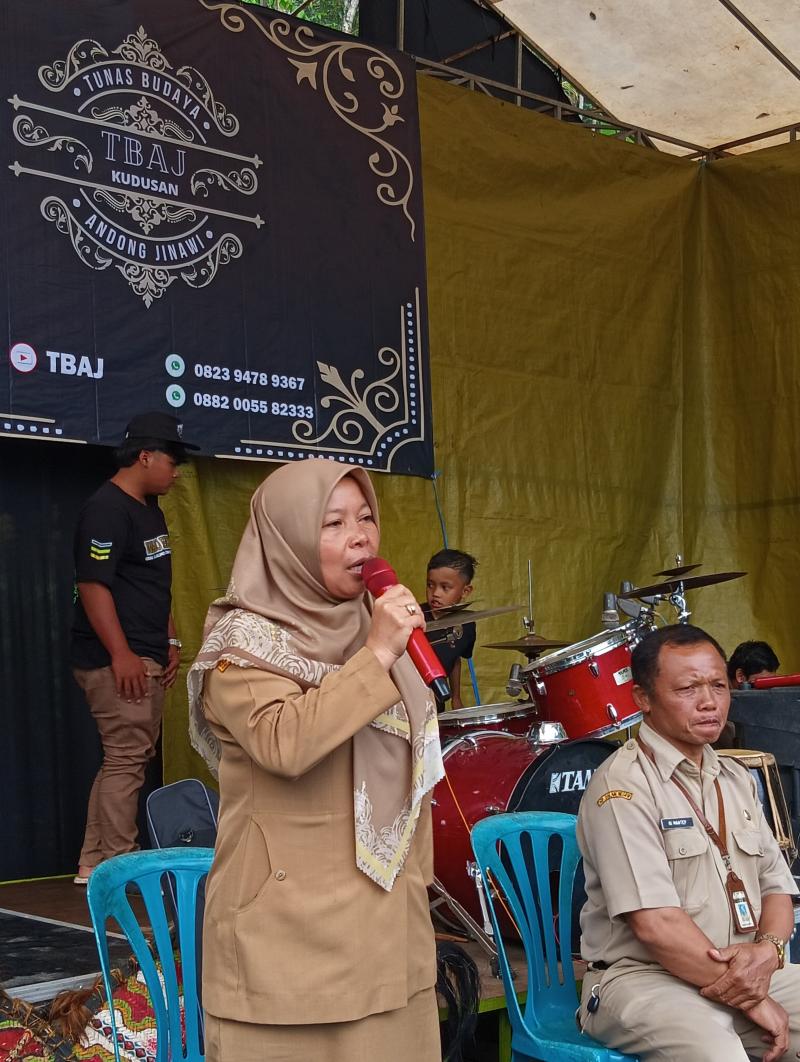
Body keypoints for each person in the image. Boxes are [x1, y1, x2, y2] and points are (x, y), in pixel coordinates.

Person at [187, 460, 444, 1062]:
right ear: (287, 539)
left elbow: (414, 772)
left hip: (387, 930)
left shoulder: (374, 624)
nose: (360, 537)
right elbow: (286, 743)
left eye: (366, 518)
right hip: (286, 938)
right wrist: (377, 654)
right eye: (333, 523)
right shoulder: (242, 644)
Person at [577, 624, 800, 1062]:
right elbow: (656, 926)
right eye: (687, 688)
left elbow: (777, 888)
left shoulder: (735, 778)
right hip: (642, 980)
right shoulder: (623, 787)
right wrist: (753, 999)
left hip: (744, 972)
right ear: (643, 698)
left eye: (718, 685)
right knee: (718, 1054)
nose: (709, 701)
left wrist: (768, 951)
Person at [71, 412, 197, 885]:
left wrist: (169, 638)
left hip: (146, 649)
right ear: (145, 456)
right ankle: (123, 869)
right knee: (126, 759)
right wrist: (121, 653)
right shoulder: (106, 508)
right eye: (172, 461)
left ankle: (93, 863)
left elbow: (153, 581)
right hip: (116, 658)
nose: (176, 472)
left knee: (124, 758)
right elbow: (93, 584)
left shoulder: (149, 508)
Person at [422, 548, 477, 711]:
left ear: (465, 591)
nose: (435, 593)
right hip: (407, 699)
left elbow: (455, 659)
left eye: (445, 587)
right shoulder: (414, 618)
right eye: (430, 585)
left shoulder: (466, 624)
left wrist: (456, 697)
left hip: (436, 701)